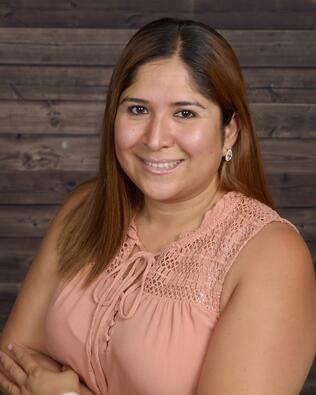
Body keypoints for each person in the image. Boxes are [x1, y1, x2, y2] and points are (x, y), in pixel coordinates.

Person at [0, 17, 315, 395]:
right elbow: (12, 362)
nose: (155, 138)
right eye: (137, 109)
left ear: (229, 130)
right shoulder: (83, 207)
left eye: (185, 113)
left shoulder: (270, 255)